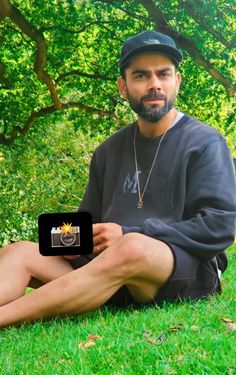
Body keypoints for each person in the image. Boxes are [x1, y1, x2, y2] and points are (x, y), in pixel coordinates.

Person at [0, 30, 235, 329]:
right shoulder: (108, 152)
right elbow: (89, 222)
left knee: (132, 246)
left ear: (177, 80)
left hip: (180, 270)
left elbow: (219, 227)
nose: (154, 85)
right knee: (19, 251)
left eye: (163, 74)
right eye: (140, 76)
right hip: (106, 275)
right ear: (123, 87)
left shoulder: (205, 143)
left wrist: (128, 232)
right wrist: (68, 241)